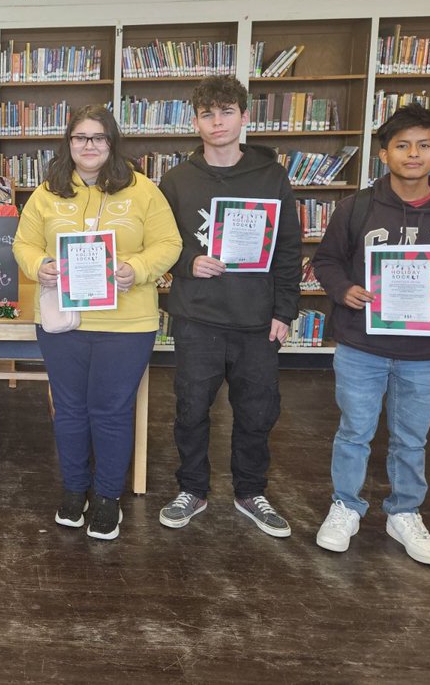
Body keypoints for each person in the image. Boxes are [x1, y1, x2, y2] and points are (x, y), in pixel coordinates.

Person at [311, 103, 430, 565]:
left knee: (412, 437)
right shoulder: (355, 207)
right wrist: (343, 290)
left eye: (423, 145)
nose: (413, 154)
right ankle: (346, 505)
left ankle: (404, 512)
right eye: (402, 145)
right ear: (384, 154)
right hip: (361, 344)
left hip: (425, 350)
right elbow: (325, 261)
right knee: (354, 431)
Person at [12, 104, 181, 541]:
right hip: (63, 321)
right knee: (68, 410)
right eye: (80, 138)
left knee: (110, 411)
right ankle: (74, 491)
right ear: (68, 144)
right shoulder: (47, 193)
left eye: (98, 138)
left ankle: (107, 498)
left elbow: (170, 243)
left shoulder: (143, 190)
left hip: (126, 324)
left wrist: (138, 268)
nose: (89, 146)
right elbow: (23, 244)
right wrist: (39, 265)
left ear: (112, 142)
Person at [156, 76, 302, 538]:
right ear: (194, 121)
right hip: (197, 316)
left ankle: (250, 491)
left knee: (258, 411)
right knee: (191, 409)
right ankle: (193, 488)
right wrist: (187, 261)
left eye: (226, 112)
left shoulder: (271, 176)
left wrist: (284, 311)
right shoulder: (177, 179)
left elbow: (288, 248)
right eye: (207, 114)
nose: (217, 122)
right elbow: (159, 242)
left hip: (256, 319)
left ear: (244, 116)